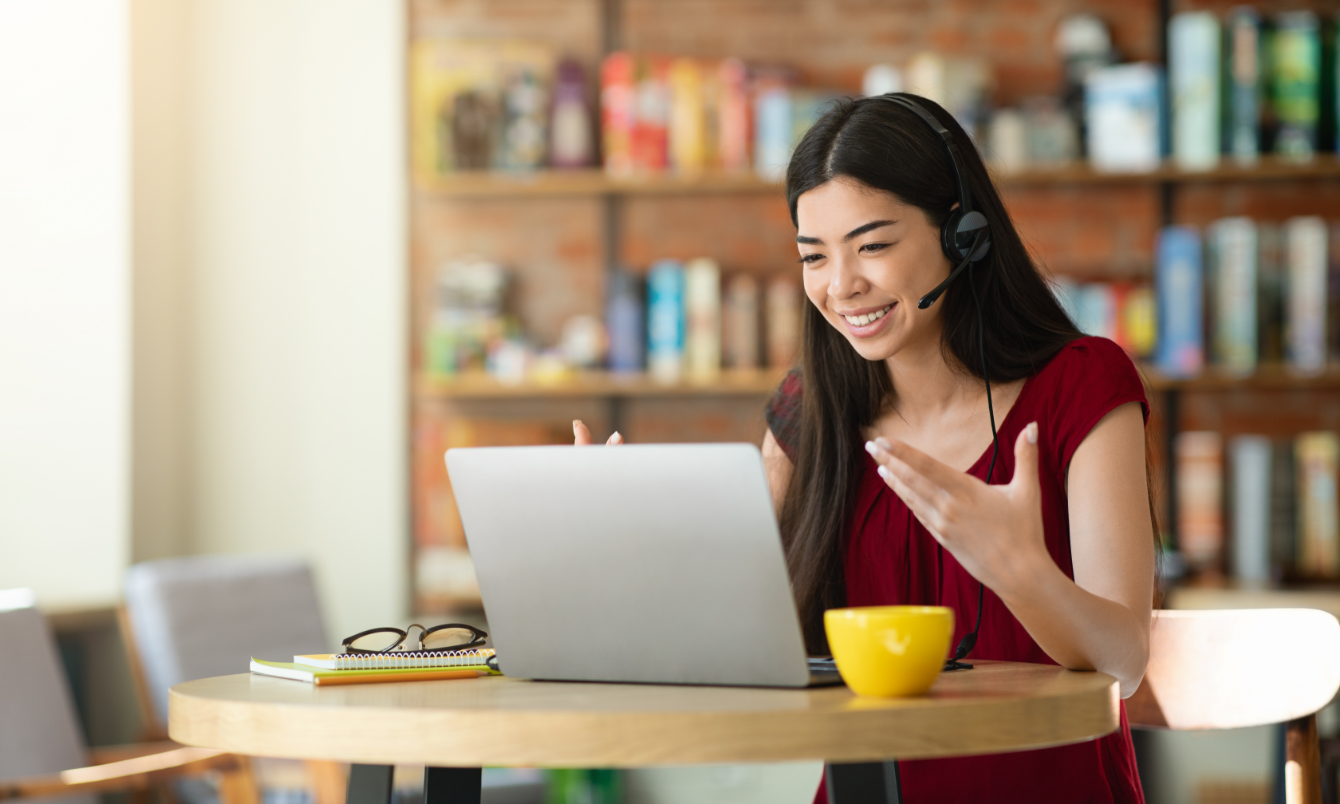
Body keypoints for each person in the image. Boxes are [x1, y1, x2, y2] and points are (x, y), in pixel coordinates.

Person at [579, 93, 1155, 803]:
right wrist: (613, 542)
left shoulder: (1083, 383)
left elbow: (1123, 662)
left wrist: (1018, 566)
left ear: (961, 233)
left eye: (873, 245)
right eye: (813, 256)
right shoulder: (809, 409)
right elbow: (729, 635)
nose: (841, 285)